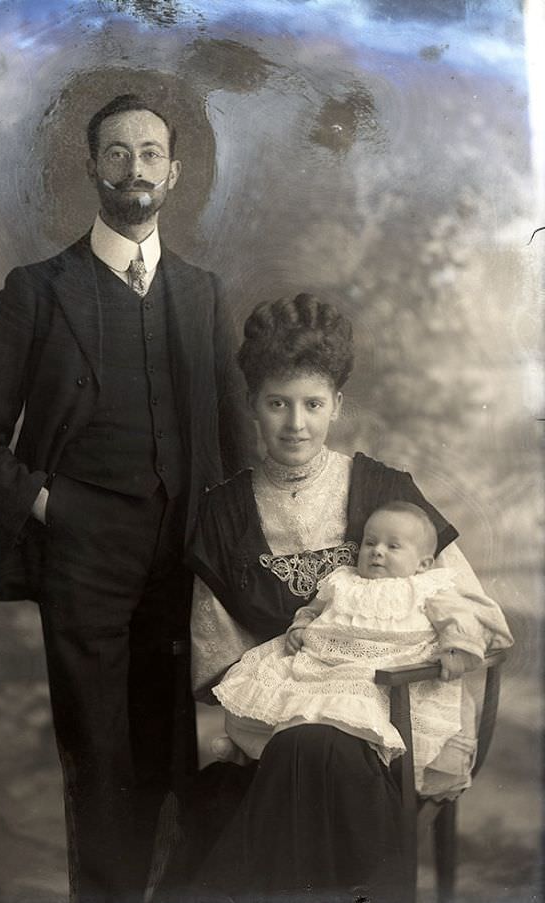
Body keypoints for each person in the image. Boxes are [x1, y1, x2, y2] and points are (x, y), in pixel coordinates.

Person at [0, 93, 249, 903]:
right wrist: (50, 509)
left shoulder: (202, 292)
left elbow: (238, 438)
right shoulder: (39, 291)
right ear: (92, 167)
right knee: (104, 762)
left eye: (150, 153)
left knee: (181, 756)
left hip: (184, 559)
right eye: (117, 152)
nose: (135, 168)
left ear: (174, 172)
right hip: (85, 564)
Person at [182, 293, 512, 903]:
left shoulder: (387, 493)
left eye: (312, 404)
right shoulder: (223, 513)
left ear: (336, 404)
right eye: (276, 403)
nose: (295, 424)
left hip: (397, 718)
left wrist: (433, 656)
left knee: (315, 748)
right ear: (252, 406)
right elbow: (216, 661)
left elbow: (472, 612)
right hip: (281, 714)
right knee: (285, 755)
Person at [212, 501, 510, 800]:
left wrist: (457, 649)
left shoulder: (426, 588)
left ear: (423, 564)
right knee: (275, 696)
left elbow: (460, 621)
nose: (377, 551)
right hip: (321, 667)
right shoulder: (343, 580)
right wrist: (299, 628)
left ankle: (286, 762)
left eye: (393, 546)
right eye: (370, 542)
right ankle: (255, 753)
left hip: (377, 679)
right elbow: (312, 610)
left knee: (340, 713)